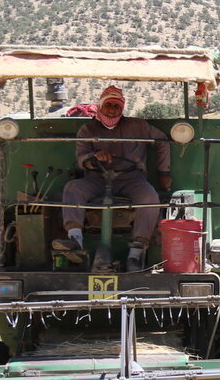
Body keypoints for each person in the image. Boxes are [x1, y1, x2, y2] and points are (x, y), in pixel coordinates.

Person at [52, 85, 171, 271]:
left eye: (116, 106)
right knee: (72, 188)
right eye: (108, 105)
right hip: (97, 179)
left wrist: (164, 172)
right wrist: (94, 157)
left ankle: (135, 255)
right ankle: (76, 245)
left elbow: (162, 141)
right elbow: (81, 158)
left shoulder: (138, 126)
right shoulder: (87, 130)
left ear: (122, 108)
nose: (112, 109)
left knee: (150, 198)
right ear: (100, 106)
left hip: (131, 179)